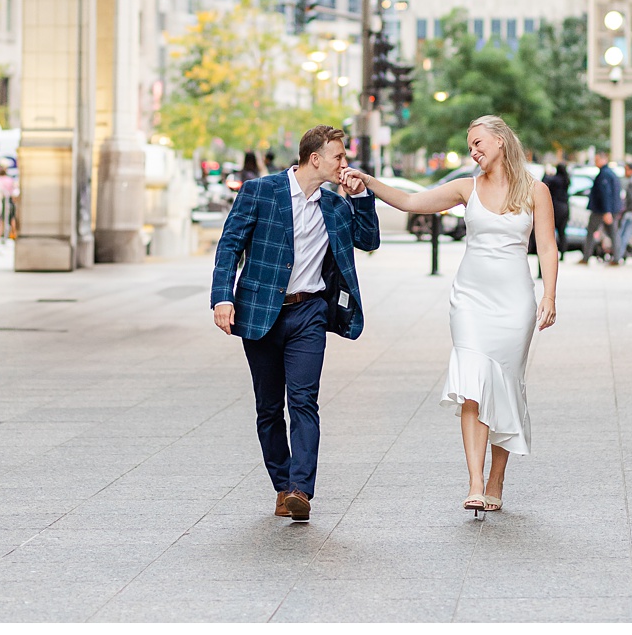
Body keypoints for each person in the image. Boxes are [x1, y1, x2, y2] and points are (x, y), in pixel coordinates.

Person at [343, 115, 557, 516]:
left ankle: (497, 478)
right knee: (473, 382)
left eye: (478, 143)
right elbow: (411, 201)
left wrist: (549, 295)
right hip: (471, 299)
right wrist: (369, 182)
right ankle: (476, 482)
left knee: (505, 385)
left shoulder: (535, 190)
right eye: (470, 145)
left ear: (500, 141)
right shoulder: (465, 188)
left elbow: (547, 247)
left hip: (515, 303)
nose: (473, 151)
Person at [210, 125, 379, 522]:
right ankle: (283, 485)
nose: (344, 164)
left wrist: (362, 198)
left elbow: (368, 241)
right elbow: (230, 245)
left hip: (309, 313)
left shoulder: (335, 206)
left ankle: (301, 489)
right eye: (339, 156)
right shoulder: (260, 192)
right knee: (269, 408)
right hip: (260, 313)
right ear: (315, 158)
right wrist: (222, 296)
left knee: (304, 401)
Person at [577, 152, 621, 266]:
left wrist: (607, 211)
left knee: (593, 232)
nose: (595, 162)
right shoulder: (610, 173)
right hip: (608, 210)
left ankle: (587, 256)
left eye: (597, 160)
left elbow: (605, 194)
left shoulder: (604, 174)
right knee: (613, 233)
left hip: (601, 210)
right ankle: (616, 257)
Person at [544, 162, 570, 259]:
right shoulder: (567, 180)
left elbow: (544, 183)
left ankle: (552, 253)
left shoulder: (555, 180)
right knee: (562, 232)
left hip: (556, 208)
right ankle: (563, 253)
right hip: (565, 207)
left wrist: (546, 173)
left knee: (551, 232)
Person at [0, 159, 19, 239]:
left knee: (6, 218)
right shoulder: (9, 179)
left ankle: (4, 235)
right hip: (4, 200)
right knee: (7, 218)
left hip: (3, 200)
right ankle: (4, 235)